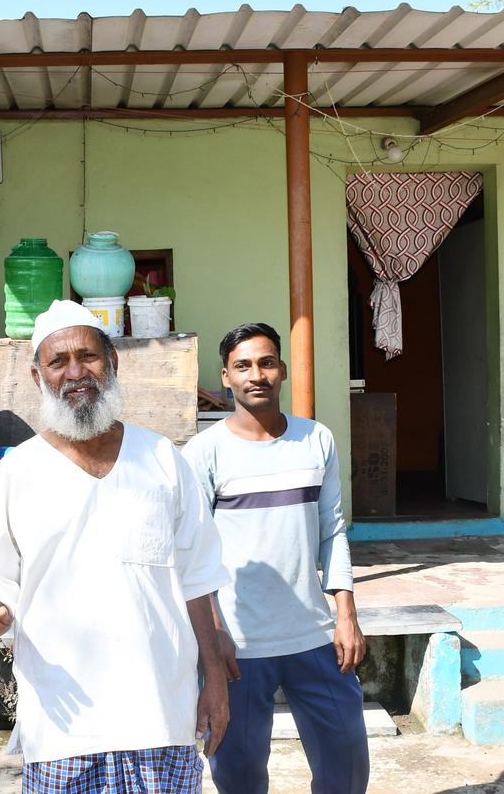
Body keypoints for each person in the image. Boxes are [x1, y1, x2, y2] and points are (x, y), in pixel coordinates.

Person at [0, 300, 231, 794]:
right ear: (38, 376)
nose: (75, 372)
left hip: (160, 718)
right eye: (58, 361)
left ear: (114, 362)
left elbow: (199, 579)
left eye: (89, 356)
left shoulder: (163, 460)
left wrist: (214, 679)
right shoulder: (16, 473)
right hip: (62, 727)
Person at [181, 323, 369, 794]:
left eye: (266, 362)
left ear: (282, 370)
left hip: (315, 637)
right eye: (242, 366)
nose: (256, 375)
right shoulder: (204, 453)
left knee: (346, 770)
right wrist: (216, 638)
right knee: (240, 778)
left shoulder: (316, 440)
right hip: (239, 650)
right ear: (225, 376)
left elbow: (334, 530)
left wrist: (345, 612)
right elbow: (192, 557)